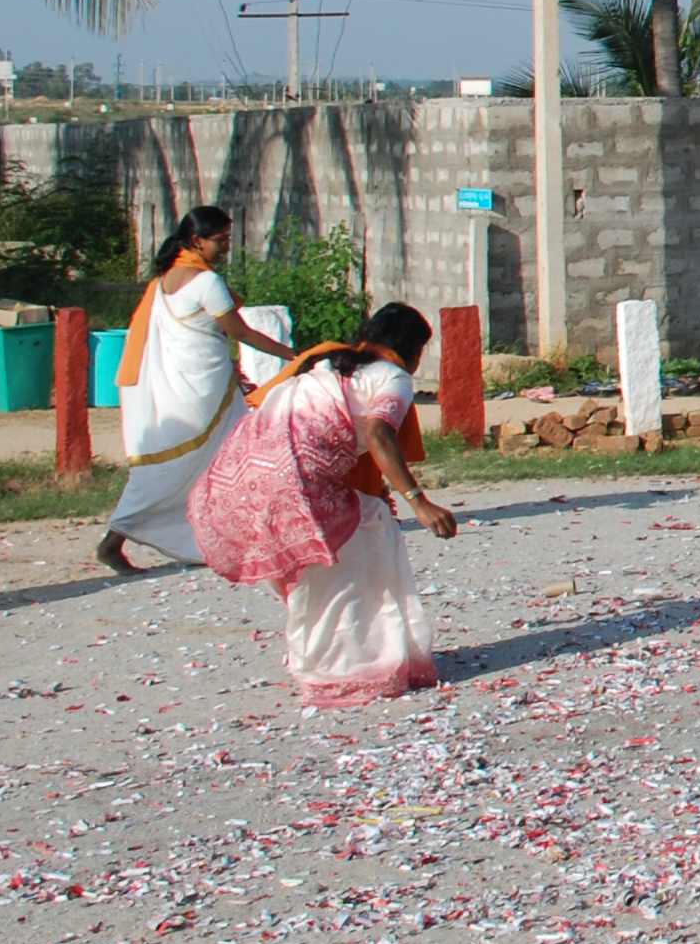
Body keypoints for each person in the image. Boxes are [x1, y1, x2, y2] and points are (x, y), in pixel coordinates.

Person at [188, 301, 457, 708]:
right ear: (413, 351)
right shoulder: (392, 377)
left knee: (327, 562)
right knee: (356, 557)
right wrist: (419, 501)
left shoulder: (329, 364)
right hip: (296, 482)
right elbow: (378, 433)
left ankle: (320, 662)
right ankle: (349, 670)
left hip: (243, 477)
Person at [98, 207, 300, 574]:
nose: (226, 247)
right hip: (202, 392)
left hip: (191, 387)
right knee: (198, 464)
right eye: (220, 240)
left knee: (208, 464)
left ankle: (234, 537)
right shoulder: (207, 283)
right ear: (196, 241)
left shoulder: (165, 279)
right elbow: (240, 332)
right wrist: (292, 356)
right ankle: (115, 539)